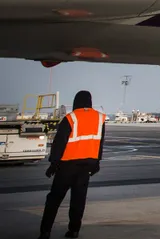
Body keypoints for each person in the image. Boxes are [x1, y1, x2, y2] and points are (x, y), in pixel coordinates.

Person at [39, 90, 106, 239]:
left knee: (54, 199)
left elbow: (59, 143)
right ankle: (74, 230)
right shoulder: (100, 118)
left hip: (67, 165)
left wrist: (53, 164)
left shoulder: (71, 118)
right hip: (87, 166)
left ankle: (45, 232)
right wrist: (97, 162)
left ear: (76, 101)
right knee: (78, 199)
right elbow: (100, 142)